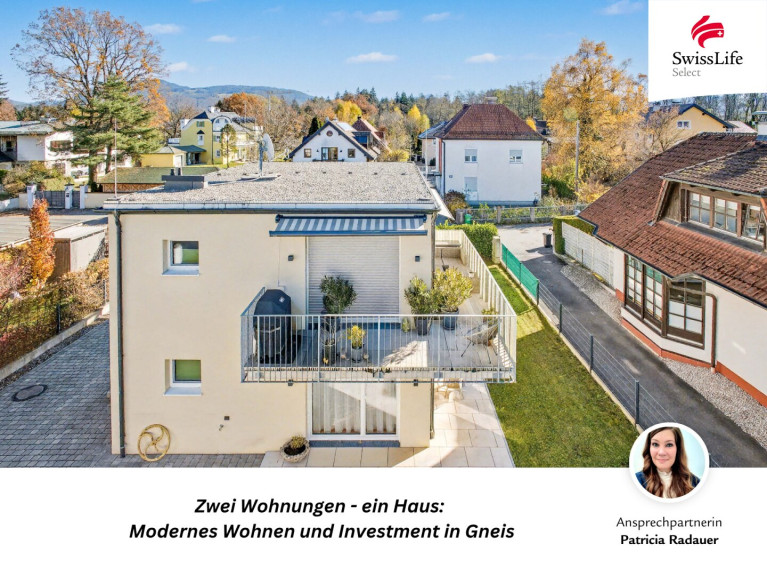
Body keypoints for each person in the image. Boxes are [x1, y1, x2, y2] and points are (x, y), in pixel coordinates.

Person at [636, 427, 700, 498]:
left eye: (669, 445)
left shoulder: (695, 483)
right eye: (655, 444)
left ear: (678, 449)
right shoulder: (637, 480)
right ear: (649, 448)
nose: (661, 452)